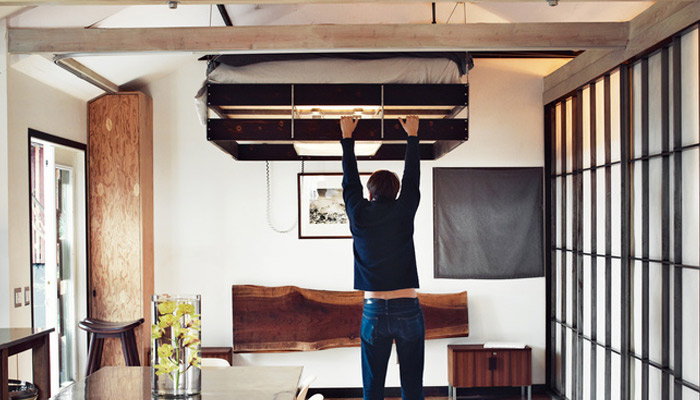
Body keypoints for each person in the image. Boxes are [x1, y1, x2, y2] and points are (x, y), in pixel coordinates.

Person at [340, 115, 424, 400]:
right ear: (397, 191)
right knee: (412, 386)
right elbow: (413, 177)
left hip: (374, 309)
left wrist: (347, 137)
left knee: (372, 388)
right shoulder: (404, 211)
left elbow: (349, 182)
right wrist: (412, 136)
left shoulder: (359, 214)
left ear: (369, 192)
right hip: (408, 308)